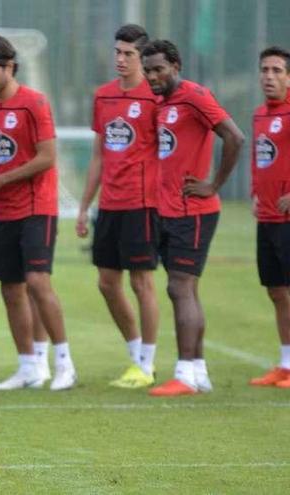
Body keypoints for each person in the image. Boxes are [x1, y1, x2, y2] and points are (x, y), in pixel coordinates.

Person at [0, 35, 77, 391]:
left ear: (10, 67)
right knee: (10, 289)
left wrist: (1, 179)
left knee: (37, 282)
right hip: (2, 213)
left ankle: (64, 363)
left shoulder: (34, 103)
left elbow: (47, 156)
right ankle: (29, 366)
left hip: (37, 208)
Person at [141, 40, 245, 397]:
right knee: (184, 288)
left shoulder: (194, 96)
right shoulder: (163, 104)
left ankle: (184, 374)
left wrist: (214, 184)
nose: (152, 76)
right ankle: (198, 373)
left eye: (158, 69)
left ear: (176, 65)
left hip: (193, 211)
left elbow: (234, 136)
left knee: (178, 287)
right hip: (169, 209)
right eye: (148, 70)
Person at [75, 24, 161, 388]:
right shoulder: (104, 96)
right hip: (108, 205)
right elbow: (98, 155)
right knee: (107, 283)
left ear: (142, 57)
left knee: (142, 282)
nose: (121, 59)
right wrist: (83, 207)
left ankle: (148, 363)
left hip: (143, 203)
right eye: (118, 52)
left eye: (128, 54)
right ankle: (135, 353)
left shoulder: (156, 97)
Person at [248, 46, 290, 388]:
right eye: (265, 70)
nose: (269, 77)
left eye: (277, 70)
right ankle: (286, 363)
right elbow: (259, 158)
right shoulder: (260, 114)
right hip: (267, 216)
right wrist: (253, 192)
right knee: (276, 291)